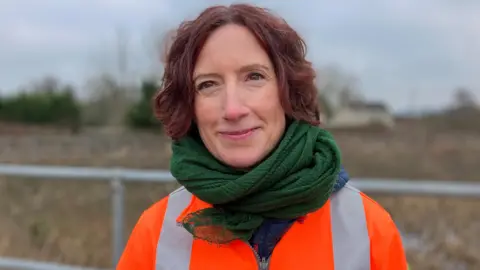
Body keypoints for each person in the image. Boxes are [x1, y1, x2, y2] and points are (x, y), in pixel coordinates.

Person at [117, 3, 408, 270]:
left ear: (288, 92)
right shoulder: (156, 235)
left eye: (254, 77)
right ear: (190, 107)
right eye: (208, 84)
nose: (232, 109)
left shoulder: (368, 230)